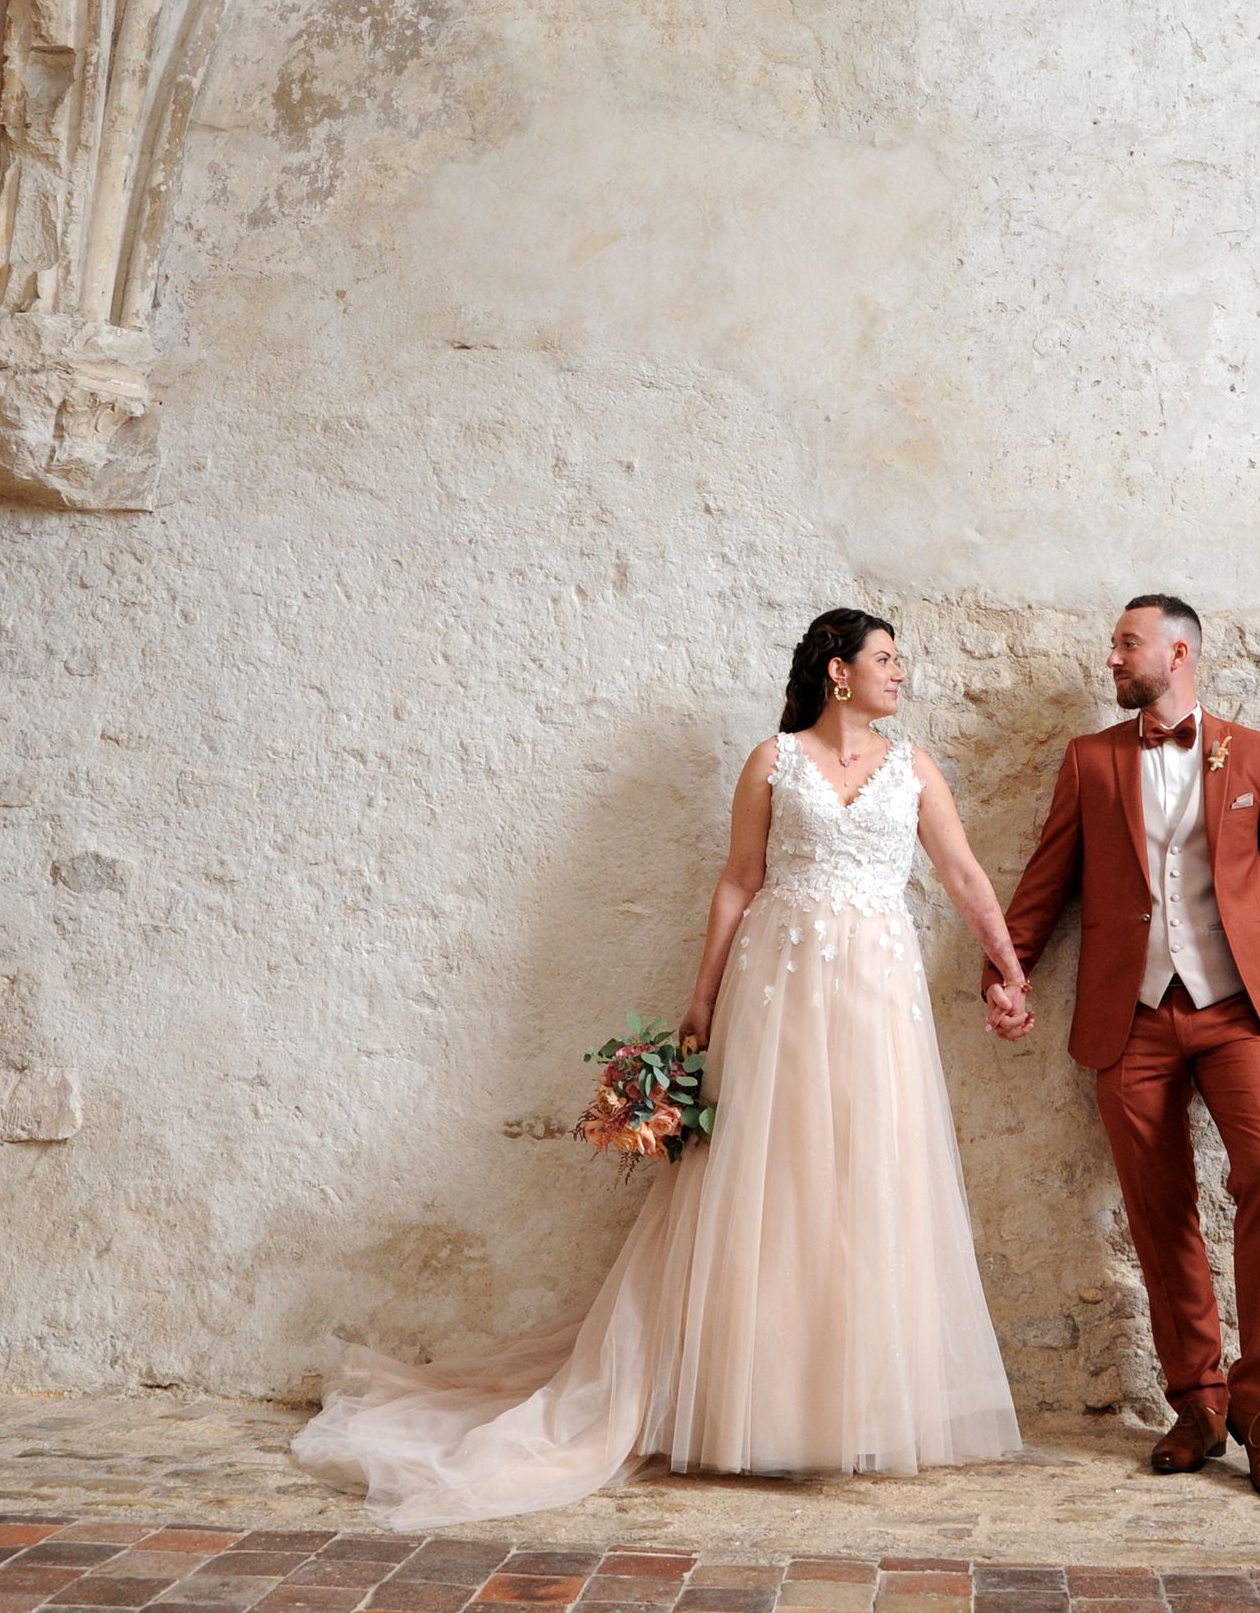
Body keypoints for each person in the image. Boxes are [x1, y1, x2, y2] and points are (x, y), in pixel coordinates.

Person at [293, 608, 1026, 1527]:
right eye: (886, 660)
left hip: (880, 989)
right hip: (780, 988)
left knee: (868, 1177)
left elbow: (962, 874)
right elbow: (737, 880)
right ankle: (748, 1404)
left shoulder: (915, 768)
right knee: (768, 1181)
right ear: (838, 672)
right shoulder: (774, 760)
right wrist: (703, 999)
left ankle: (851, 1405)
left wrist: (1006, 964)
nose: (901, 674)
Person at [982, 594, 1260, 1502]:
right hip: (1130, 1019)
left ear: (1177, 653)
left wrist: (1238, 941)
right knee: (1158, 1207)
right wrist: (1005, 976)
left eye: (1125, 644)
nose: (1111, 659)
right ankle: (1199, 1404)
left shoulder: (1256, 754)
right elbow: (1047, 882)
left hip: (1232, 1015)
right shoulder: (1090, 761)